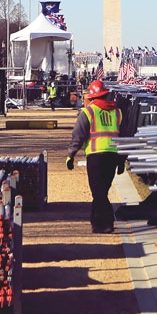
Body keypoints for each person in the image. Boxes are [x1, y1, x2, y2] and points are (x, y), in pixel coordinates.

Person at [65, 79, 125, 233]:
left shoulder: (88, 112)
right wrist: (122, 159)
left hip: (95, 155)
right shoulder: (117, 112)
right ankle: (97, 223)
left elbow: (78, 135)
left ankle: (107, 222)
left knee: (98, 191)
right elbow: (124, 136)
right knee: (101, 191)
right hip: (113, 155)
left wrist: (71, 155)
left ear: (92, 98)